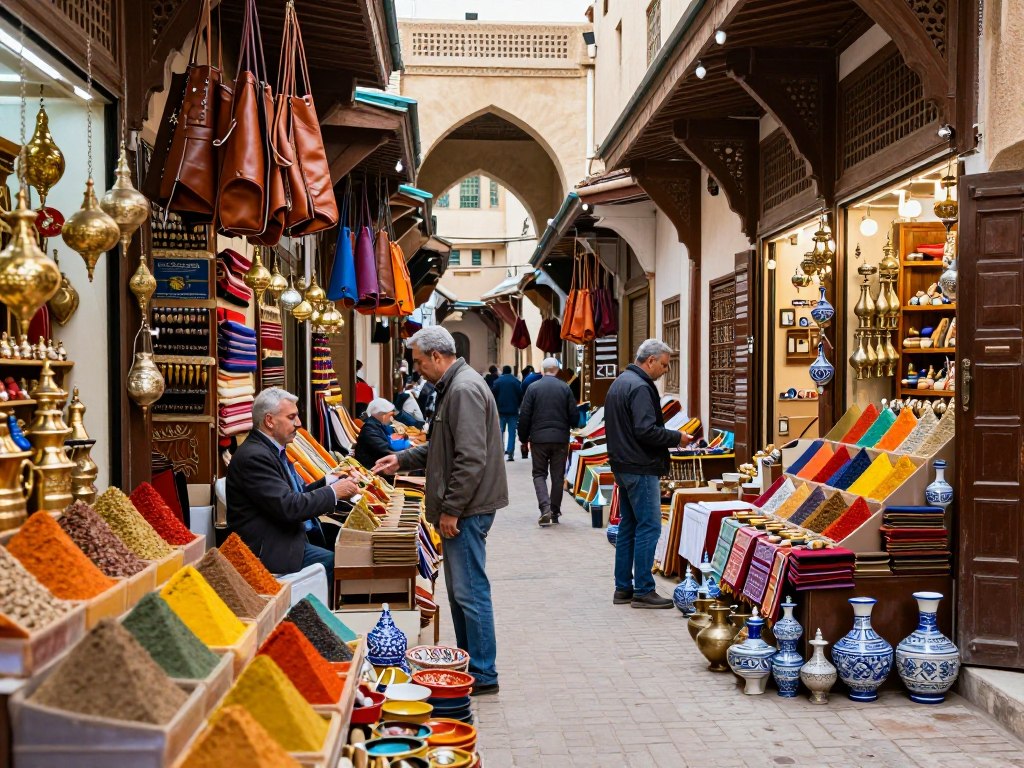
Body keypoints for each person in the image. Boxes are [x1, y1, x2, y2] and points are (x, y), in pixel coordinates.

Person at [372, 326, 507, 696]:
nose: (417, 370)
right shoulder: (455, 387)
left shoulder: (462, 390)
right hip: (468, 506)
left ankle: (483, 672)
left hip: (468, 508)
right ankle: (471, 663)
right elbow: (441, 447)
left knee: (470, 591)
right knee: (462, 591)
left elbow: (470, 459)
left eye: (418, 362)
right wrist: (400, 460)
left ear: (436, 356)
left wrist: (451, 510)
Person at [226, 388, 359, 602]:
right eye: (291, 417)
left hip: (286, 535)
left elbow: (293, 495)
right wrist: (334, 492)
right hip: (269, 549)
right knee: (333, 561)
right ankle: (323, 624)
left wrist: (328, 482)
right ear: (269, 421)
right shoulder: (255, 457)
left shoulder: (271, 450)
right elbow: (289, 507)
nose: (298, 423)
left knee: (346, 543)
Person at [604, 340, 693, 609]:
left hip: (623, 464)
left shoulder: (621, 382)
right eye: (664, 364)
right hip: (639, 465)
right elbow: (645, 430)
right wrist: (678, 437)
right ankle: (643, 589)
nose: (665, 370)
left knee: (629, 527)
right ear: (650, 360)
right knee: (650, 526)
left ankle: (623, 588)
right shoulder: (641, 387)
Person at [518, 357, 578, 527]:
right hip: (560, 439)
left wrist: (523, 437)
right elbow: (574, 416)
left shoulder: (533, 388)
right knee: (558, 476)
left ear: (543, 370)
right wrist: (573, 424)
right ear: (557, 370)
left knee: (539, 474)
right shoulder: (565, 388)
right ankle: (555, 510)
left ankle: (545, 509)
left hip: (538, 439)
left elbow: (525, 415)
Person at [354, 398, 406, 476]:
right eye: (390, 415)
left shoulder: (377, 425)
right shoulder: (370, 429)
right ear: (382, 414)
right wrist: (408, 449)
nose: (391, 418)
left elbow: (389, 443)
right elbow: (386, 450)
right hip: (373, 472)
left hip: (380, 468)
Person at [491, 365, 523, 461]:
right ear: (510, 371)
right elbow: (520, 395)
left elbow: (493, 395)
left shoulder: (498, 382)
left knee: (500, 432)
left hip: (500, 411)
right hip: (513, 411)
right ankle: (510, 453)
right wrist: (518, 405)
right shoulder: (516, 381)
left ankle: (500, 452)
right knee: (512, 432)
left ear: (503, 371)